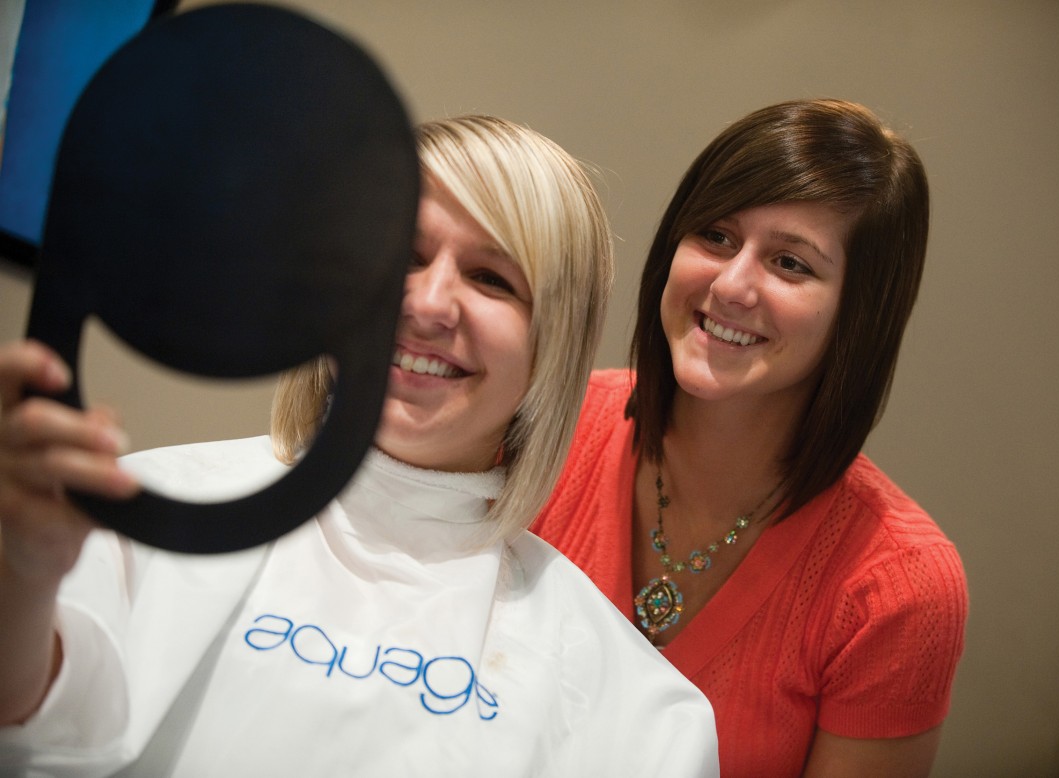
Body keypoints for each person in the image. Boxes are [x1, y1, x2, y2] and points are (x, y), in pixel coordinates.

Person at [0, 115, 719, 776]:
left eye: (491, 278)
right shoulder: (137, 510)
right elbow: (33, 733)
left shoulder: (638, 708)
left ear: (554, 347)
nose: (428, 304)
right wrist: (22, 576)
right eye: (403, 256)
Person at [532, 99, 968, 777]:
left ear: (861, 314)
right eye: (715, 235)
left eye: (791, 264)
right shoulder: (543, 421)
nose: (732, 285)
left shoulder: (901, 589)